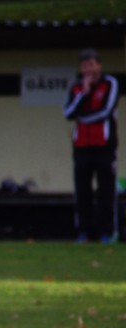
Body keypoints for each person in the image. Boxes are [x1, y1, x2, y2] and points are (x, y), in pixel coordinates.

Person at [63, 48, 120, 244]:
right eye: (85, 66)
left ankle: (107, 232)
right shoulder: (76, 88)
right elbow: (68, 113)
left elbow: (106, 111)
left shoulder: (110, 83)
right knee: (82, 191)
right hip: (81, 148)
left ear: (99, 65)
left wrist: (83, 119)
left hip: (104, 146)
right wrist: (84, 95)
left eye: (92, 64)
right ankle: (84, 232)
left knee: (106, 191)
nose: (89, 69)